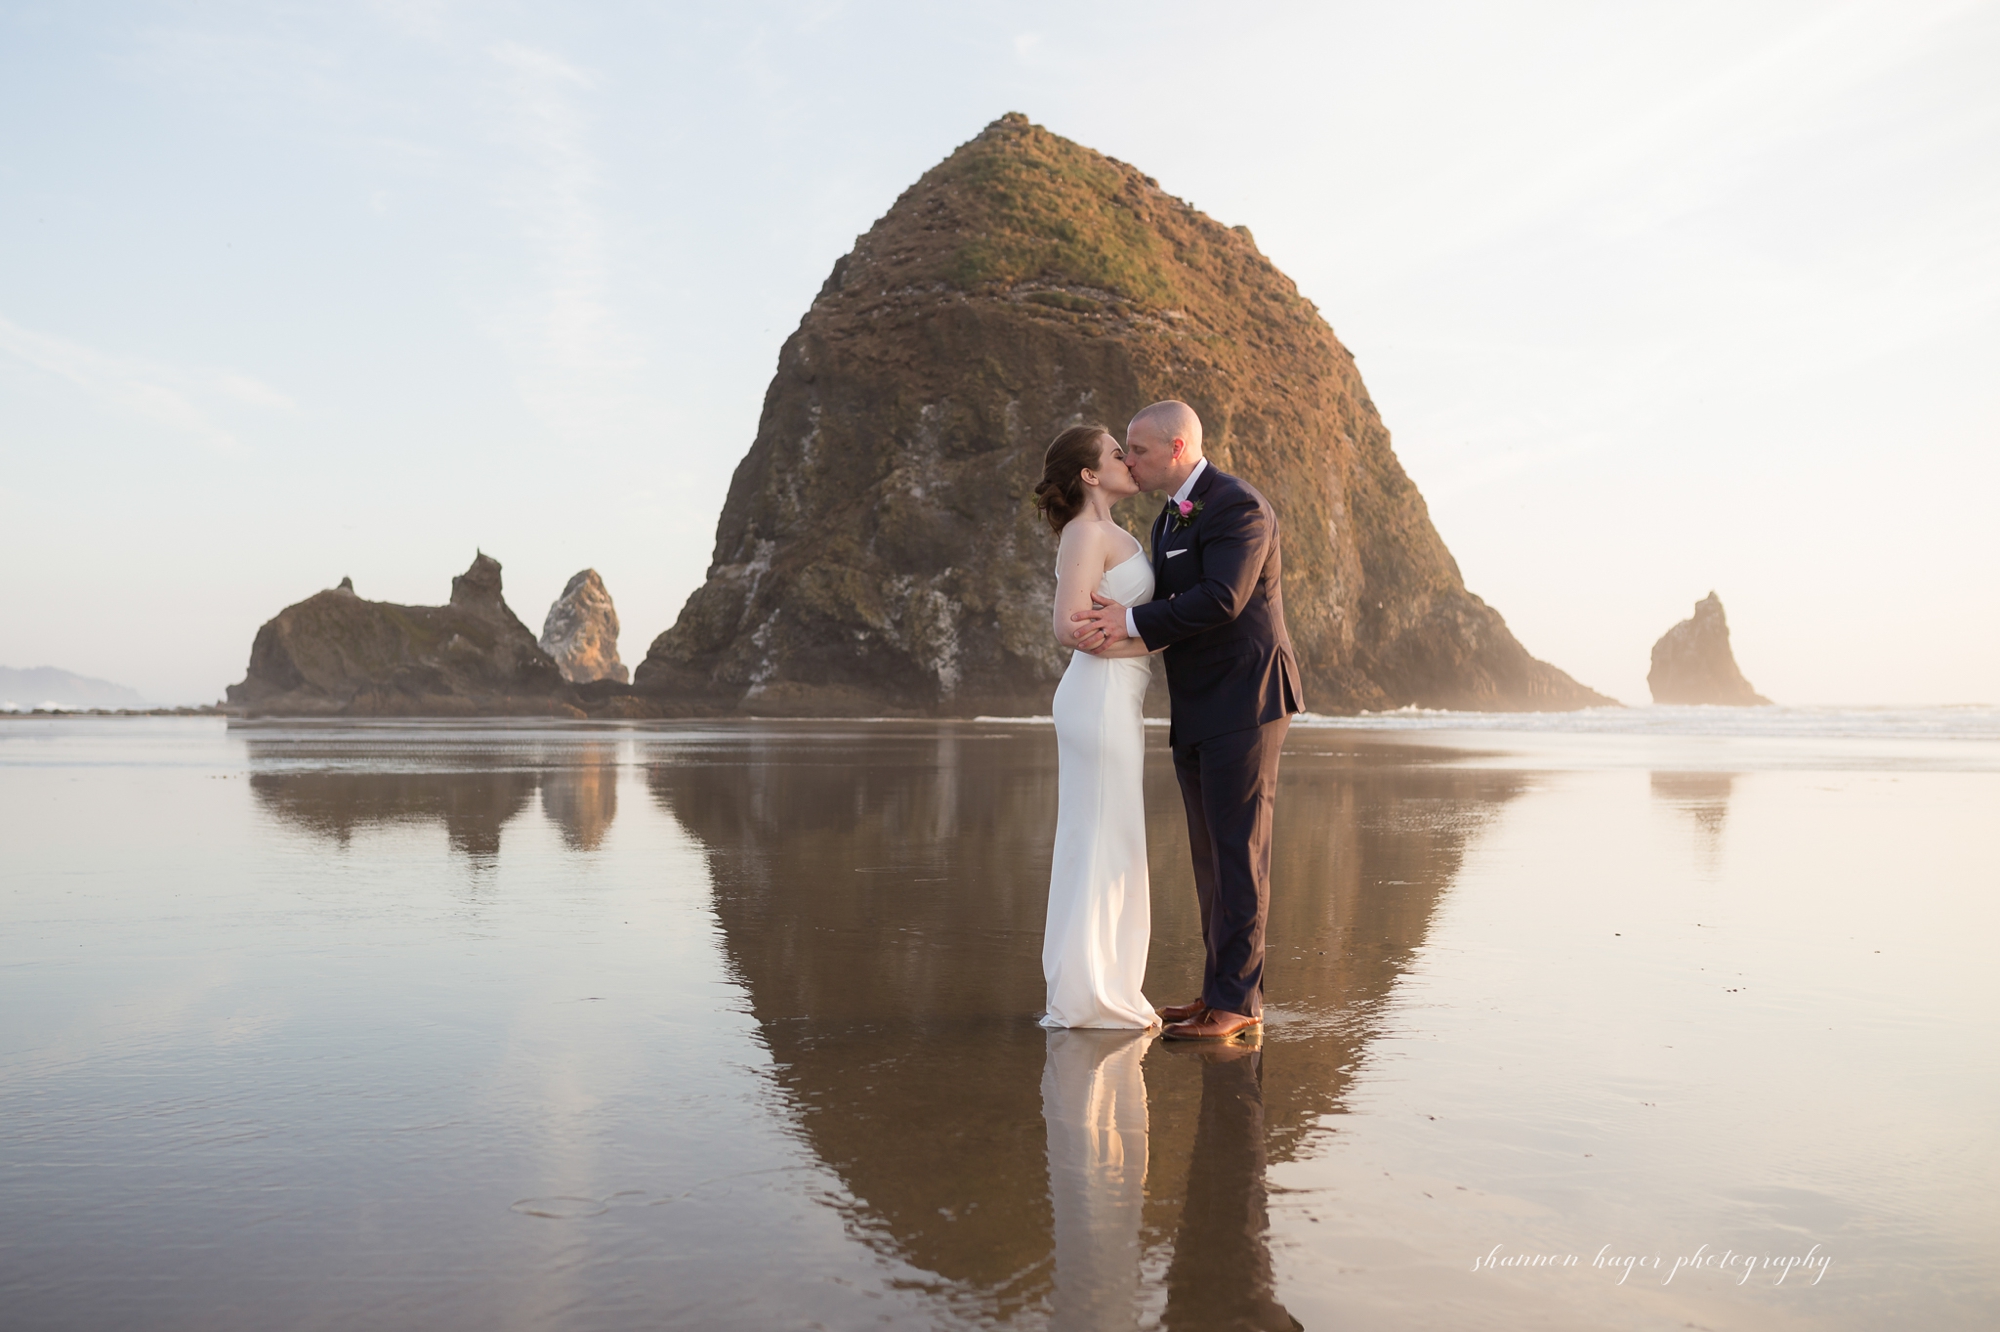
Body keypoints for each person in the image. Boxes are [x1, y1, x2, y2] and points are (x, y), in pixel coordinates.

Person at [1071, 401, 1302, 1042]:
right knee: (1209, 855)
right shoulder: (1169, 517)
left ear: (1176, 449)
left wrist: (1130, 623)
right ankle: (1216, 994)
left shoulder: (1238, 506)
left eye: (1137, 450)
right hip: (1198, 702)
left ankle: (1239, 1003)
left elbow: (1223, 598)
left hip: (1248, 702)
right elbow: (1174, 600)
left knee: (1240, 852)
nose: (1128, 460)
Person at [1033, 424, 1160, 1029]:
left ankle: (1103, 981)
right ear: (1089, 474)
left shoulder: (1115, 533)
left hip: (1118, 699)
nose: (1129, 461)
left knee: (1113, 837)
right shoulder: (1085, 533)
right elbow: (1068, 627)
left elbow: (1121, 618)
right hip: (1098, 698)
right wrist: (1153, 644)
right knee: (1098, 840)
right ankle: (1088, 997)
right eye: (1117, 454)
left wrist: (1146, 637)